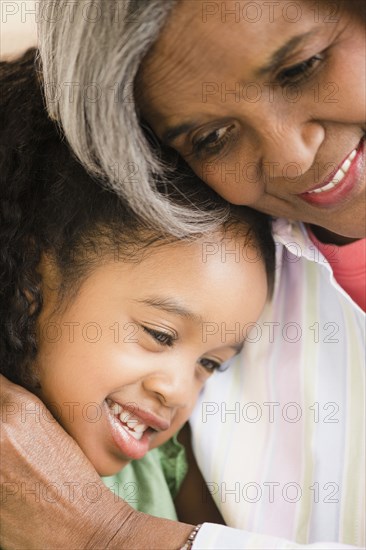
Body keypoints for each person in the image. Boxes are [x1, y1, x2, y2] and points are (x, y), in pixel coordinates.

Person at [1, 0, 364, 548]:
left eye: (301, 67)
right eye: (211, 138)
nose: (291, 160)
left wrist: (107, 535)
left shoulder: (164, 468)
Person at [0, 49, 276, 539]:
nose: (176, 391)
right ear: (31, 281)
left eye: (210, 365)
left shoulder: (169, 469)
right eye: (160, 334)